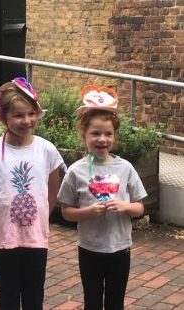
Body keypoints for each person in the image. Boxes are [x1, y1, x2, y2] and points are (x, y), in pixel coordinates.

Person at [0, 77, 65, 310]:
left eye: (31, 114)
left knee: (35, 295)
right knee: (8, 297)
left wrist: (41, 217)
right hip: (3, 238)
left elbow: (52, 191)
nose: (26, 121)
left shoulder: (46, 150)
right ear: (3, 118)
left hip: (36, 236)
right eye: (18, 115)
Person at [57, 85, 147, 310]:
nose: (102, 139)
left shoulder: (124, 168)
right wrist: (87, 212)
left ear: (115, 135)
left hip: (120, 247)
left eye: (108, 133)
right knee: (93, 301)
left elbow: (140, 208)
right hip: (89, 248)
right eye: (95, 133)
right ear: (84, 135)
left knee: (116, 301)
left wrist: (125, 206)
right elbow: (65, 211)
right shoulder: (75, 171)